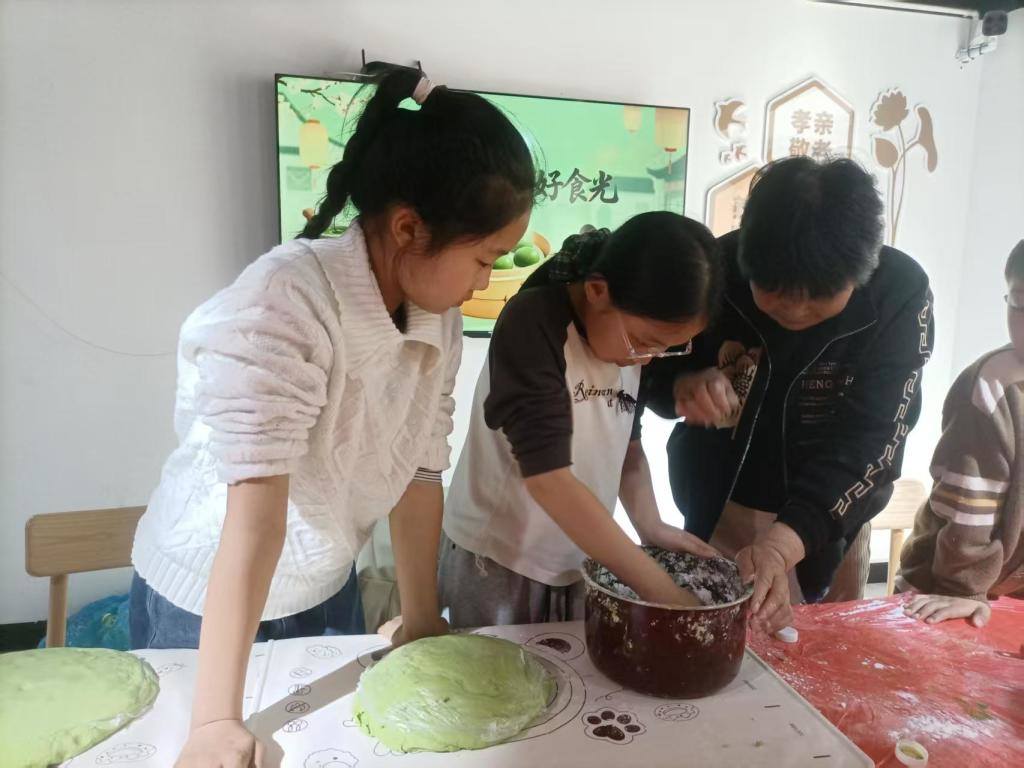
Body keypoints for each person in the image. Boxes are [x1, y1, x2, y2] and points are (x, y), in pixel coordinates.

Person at [128, 69, 538, 767]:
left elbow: (420, 471)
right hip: (208, 599)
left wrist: (420, 618)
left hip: (322, 579)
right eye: (484, 259)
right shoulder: (284, 302)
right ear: (407, 228)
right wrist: (215, 721)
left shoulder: (434, 319)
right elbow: (254, 520)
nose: (484, 282)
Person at [642, 157, 934, 633]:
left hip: (832, 522)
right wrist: (681, 387)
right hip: (721, 506)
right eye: (774, 290)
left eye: (819, 295)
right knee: (716, 636)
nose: (795, 309)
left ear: (859, 271)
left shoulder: (898, 293)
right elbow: (649, 368)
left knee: (817, 647)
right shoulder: (717, 269)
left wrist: (781, 546)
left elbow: (875, 439)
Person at [439, 213, 722, 628]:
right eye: (643, 343)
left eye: (664, 350)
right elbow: (549, 481)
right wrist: (664, 592)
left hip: (579, 555)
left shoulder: (628, 345)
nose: (647, 359)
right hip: (500, 559)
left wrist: (650, 524)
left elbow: (626, 445)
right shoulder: (534, 322)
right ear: (597, 291)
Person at [899, 240, 1024, 627]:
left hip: (1009, 591)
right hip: (947, 585)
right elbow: (969, 512)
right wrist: (963, 590)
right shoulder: (991, 389)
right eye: (1020, 302)